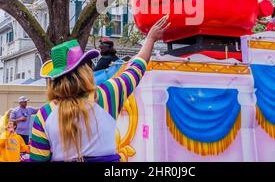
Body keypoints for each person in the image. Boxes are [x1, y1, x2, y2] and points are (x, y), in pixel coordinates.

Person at [29, 15, 170, 162]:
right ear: (84, 72)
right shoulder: (107, 95)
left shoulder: (44, 115)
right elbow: (136, 68)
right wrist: (150, 39)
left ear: (54, 79)